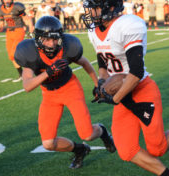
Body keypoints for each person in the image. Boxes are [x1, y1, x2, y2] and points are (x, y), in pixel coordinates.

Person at [83, 0, 169, 176]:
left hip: (141, 90)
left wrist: (114, 98)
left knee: (157, 149)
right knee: (126, 150)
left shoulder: (127, 25)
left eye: (95, 9)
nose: (91, 14)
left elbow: (135, 72)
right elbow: (103, 61)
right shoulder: (94, 31)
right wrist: (102, 82)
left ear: (110, 8)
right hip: (121, 92)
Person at [14, 16, 116, 169]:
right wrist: (48, 72)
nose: (51, 43)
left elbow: (85, 62)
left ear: (60, 38)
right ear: (38, 39)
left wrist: (98, 85)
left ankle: (102, 131)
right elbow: (27, 85)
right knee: (48, 143)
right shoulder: (29, 52)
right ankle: (80, 150)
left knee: (87, 134)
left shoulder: (68, 47)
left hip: (71, 88)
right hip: (49, 95)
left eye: (55, 39)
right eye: (46, 39)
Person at [0, 0, 34, 82]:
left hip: (18, 30)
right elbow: (2, 22)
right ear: (2, 0)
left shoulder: (17, 7)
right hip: (9, 32)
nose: (7, 1)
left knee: (14, 53)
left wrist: (31, 29)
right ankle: (21, 75)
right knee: (11, 56)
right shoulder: (0, 9)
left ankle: (30, 65)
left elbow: (26, 19)